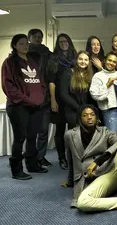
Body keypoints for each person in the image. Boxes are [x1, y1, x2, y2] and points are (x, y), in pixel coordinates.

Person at [2, 34, 48, 180]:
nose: (25, 46)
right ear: (15, 45)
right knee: (19, 138)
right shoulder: (9, 63)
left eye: (26, 43)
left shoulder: (32, 61)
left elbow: (40, 82)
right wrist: (27, 100)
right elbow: (8, 87)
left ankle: (32, 164)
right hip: (18, 106)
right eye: (21, 44)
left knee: (32, 137)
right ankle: (16, 169)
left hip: (36, 106)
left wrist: (41, 96)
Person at [48, 33, 77, 170]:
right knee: (59, 131)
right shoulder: (54, 59)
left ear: (69, 42)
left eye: (66, 41)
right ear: (58, 44)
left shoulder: (75, 58)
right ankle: (61, 158)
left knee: (72, 130)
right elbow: (51, 82)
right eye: (60, 42)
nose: (63, 43)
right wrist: (53, 100)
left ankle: (72, 156)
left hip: (72, 98)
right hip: (59, 99)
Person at [27, 28, 52, 167]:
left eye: (40, 37)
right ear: (29, 37)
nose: (38, 39)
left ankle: (41, 157)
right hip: (29, 98)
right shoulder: (22, 54)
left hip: (45, 97)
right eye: (35, 36)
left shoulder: (46, 52)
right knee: (31, 131)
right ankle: (30, 157)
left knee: (43, 130)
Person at [90, 52, 117, 133]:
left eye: (114, 62)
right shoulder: (98, 76)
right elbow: (95, 95)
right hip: (109, 111)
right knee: (112, 137)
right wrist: (107, 85)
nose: (111, 63)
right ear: (105, 61)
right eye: (109, 60)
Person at [60, 50, 94, 129]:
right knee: (74, 137)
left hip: (86, 111)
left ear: (89, 62)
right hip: (72, 111)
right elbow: (63, 94)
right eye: (80, 59)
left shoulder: (90, 74)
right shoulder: (68, 73)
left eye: (86, 60)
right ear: (76, 60)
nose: (83, 62)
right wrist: (79, 108)